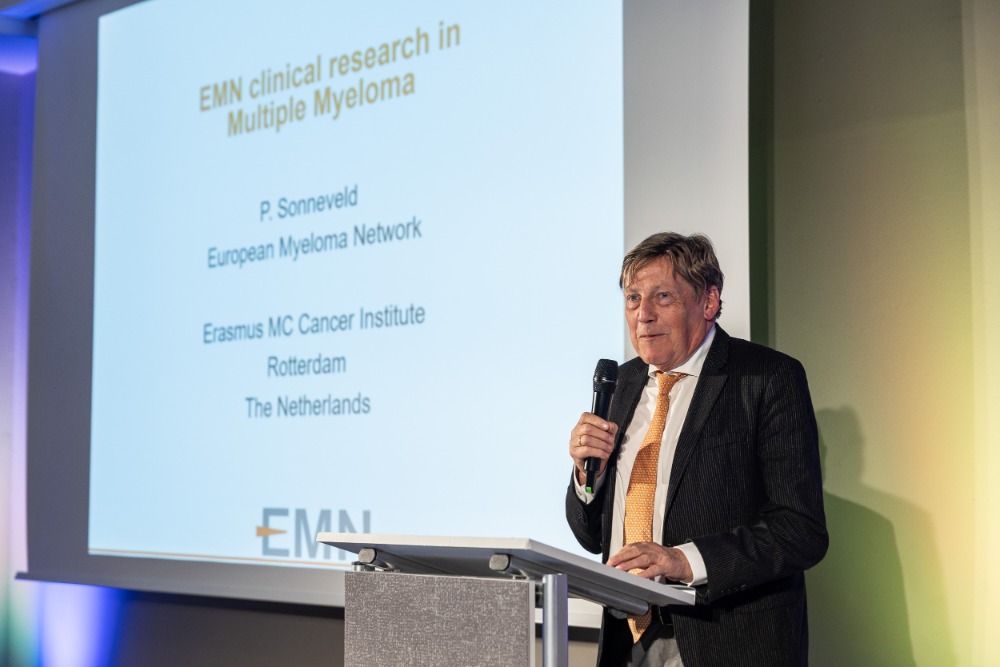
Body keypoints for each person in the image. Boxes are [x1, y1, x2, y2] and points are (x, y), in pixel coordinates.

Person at [566, 232, 827, 666]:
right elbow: (591, 536)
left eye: (662, 296)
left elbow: (800, 530)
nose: (643, 314)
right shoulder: (622, 385)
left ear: (708, 301)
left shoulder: (767, 378)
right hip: (627, 640)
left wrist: (684, 561)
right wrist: (585, 476)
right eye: (633, 298)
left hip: (728, 641)